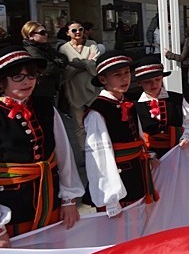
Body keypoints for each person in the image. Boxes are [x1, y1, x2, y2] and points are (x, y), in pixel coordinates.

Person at [0, 46, 83, 247]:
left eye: (31, 75)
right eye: (17, 77)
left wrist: (69, 199)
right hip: (12, 209)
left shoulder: (45, 107)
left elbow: (63, 155)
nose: (27, 81)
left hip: (50, 202)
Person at [83, 51, 158, 218]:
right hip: (117, 179)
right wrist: (111, 199)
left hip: (136, 174)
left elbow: (138, 136)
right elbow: (99, 157)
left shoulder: (127, 102)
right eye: (117, 75)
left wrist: (147, 155)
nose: (125, 79)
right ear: (103, 80)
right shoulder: (98, 111)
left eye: (126, 73)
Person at [133, 56, 189, 159]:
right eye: (147, 81)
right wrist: (147, 155)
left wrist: (187, 137)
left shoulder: (176, 99)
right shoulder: (134, 104)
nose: (154, 84)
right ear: (139, 83)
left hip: (177, 153)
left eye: (157, 79)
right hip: (150, 157)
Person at [58, 21, 100, 172]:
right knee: (79, 124)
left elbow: (95, 64)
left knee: (97, 120)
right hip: (74, 90)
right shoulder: (63, 48)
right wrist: (86, 64)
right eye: (74, 30)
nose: (78, 32)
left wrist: (78, 64)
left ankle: (99, 149)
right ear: (67, 33)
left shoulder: (92, 44)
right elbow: (65, 69)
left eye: (80, 29)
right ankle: (84, 152)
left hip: (93, 89)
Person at [21, 21, 68, 108]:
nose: (46, 35)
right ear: (30, 36)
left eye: (46, 32)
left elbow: (64, 58)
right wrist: (56, 63)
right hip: (40, 92)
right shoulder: (30, 50)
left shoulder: (46, 47)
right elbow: (48, 68)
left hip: (49, 90)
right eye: (42, 33)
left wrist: (54, 63)